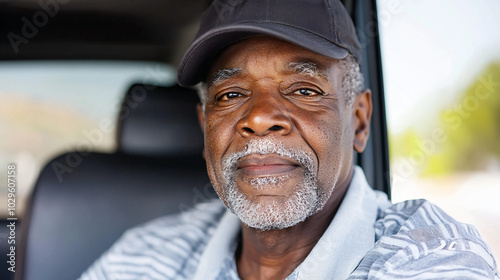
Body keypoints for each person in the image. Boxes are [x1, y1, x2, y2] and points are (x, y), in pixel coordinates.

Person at [81, 0, 499, 279]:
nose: (260, 118)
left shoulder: (429, 258)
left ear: (358, 121)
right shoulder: (143, 256)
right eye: (231, 95)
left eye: (304, 90)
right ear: (204, 125)